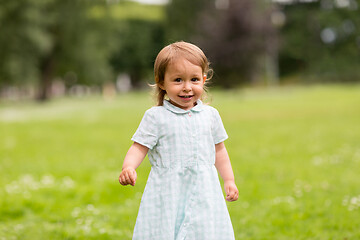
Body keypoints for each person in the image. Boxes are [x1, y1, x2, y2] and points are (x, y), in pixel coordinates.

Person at [119, 41, 239, 240]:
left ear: (203, 79)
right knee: (165, 231)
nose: (187, 88)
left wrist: (229, 180)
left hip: (204, 189)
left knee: (203, 231)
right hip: (167, 191)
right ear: (161, 82)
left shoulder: (210, 115)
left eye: (194, 79)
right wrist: (128, 167)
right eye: (177, 80)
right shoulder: (156, 117)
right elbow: (139, 147)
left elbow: (219, 150)